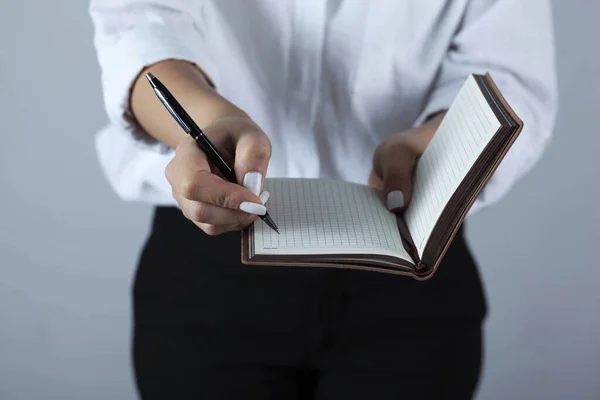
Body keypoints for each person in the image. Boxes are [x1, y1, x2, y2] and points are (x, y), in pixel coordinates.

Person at [89, 1, 556, 398]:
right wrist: (211, 122)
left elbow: (509, 74)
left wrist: (429, 147)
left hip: (407, 257)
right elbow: (141, 28)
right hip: (210, 263)